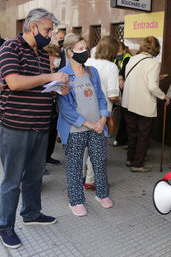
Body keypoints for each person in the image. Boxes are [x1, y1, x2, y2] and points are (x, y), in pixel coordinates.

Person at [0, 8, 70, 249]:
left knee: (35, 175)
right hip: (16, 127)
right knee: (12, 179)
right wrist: (50, 77)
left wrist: (58, 87)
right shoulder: (10, 47)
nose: (50, 35)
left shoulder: (39, 53)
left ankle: (31, 213)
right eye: (48, 30)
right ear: (33, 26)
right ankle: (5, 227)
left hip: (40, 125)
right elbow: (14, 82)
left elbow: (39, 86)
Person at [56, 33, 113, 216]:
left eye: (85, 48)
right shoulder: (63, 76)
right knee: (74, 165)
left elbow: (101, 98)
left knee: (99, 161)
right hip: (75, 129)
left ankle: (102, 193)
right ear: (69, 52)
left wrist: (103, 119)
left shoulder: (92, 71)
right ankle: (76, 200)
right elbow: (65, 110)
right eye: (80, 49)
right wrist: (89, 124)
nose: (84, 52)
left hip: (97, 126)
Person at [122, 36, 170, 172]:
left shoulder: (132, 59)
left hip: (129, 102)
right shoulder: (153, 64)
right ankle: (137, 164)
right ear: (156, 49)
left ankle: (130, 158)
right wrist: (163, 96)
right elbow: (152, 87)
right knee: (143, 135)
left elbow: (132, 77)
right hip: (143, 104)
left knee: (132, 134)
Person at [85, 36, 120, 189]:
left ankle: (80, 176)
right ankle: (91, 181)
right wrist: (118, 100)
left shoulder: (87, 62)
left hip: (83, 108)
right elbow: (113, 95)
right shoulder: (111, 67)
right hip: (101, 112)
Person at [111, 41, 132, 147]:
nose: (118, 54)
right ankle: (119, 139)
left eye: (119, 51)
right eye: (116, 52)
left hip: (126, 90)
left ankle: (123, 140)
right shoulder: (116, 60)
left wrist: (120, 78)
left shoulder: (128, 58)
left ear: (124, 50)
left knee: (125, 116)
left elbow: (123, 72)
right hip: (118, 90)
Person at [43, 44, 61, 165]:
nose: (56, 59)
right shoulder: (43, 70)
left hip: (54, 106)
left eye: (57, 56)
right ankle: (41, 161)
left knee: (52, 132)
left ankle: (48, 156)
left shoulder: (55, 70)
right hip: (44, 107)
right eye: (54, 56)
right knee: (44, 136)